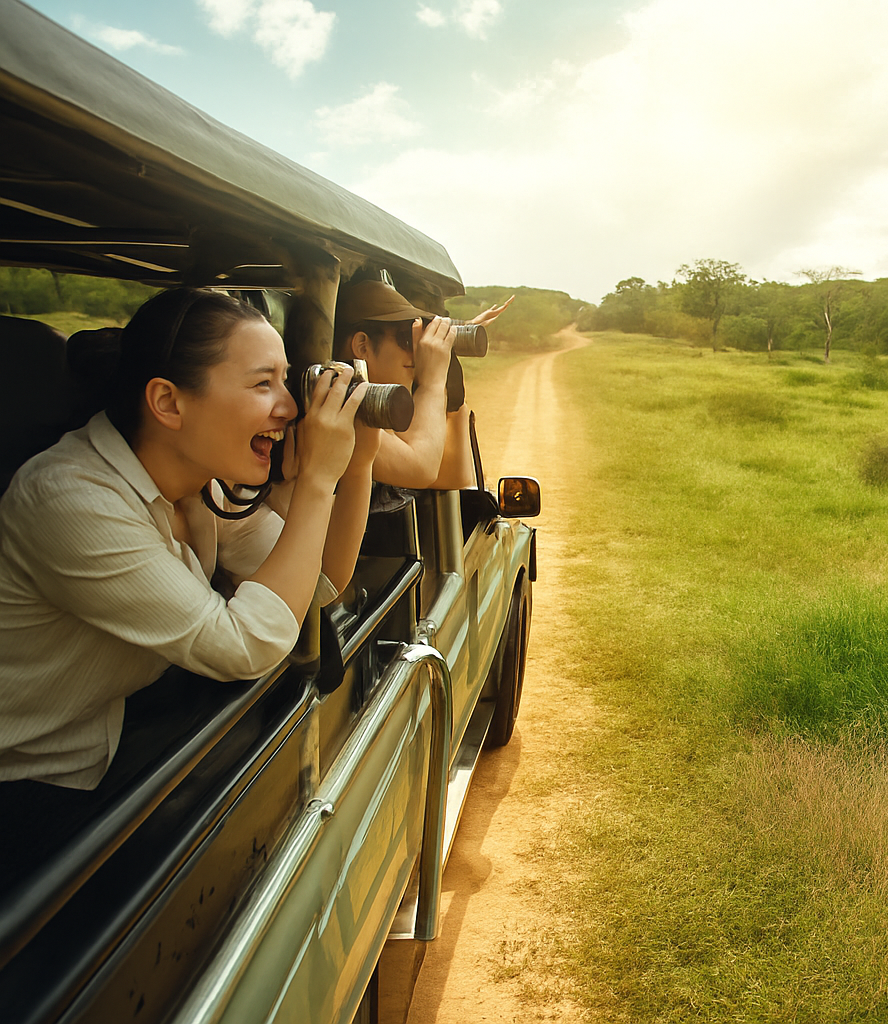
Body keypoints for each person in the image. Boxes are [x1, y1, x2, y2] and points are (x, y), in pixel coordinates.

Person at [0, 287, 378, 792]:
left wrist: (357, 462)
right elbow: (245, 644)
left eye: (285, 381)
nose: (289, 407)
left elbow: (319, 581)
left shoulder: (201, 485)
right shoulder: (71, 499)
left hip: (107, 751)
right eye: (263, 383)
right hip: (32, 790)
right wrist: (315, 482)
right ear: (167, 403)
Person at [333, 280, 511, 490]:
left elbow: (452, 478)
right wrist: (431, 384)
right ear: (362, 346)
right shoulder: (341, 410)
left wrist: (450, 395)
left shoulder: (380, 411)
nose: (417, 351)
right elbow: (421, 469)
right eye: (407, 339)